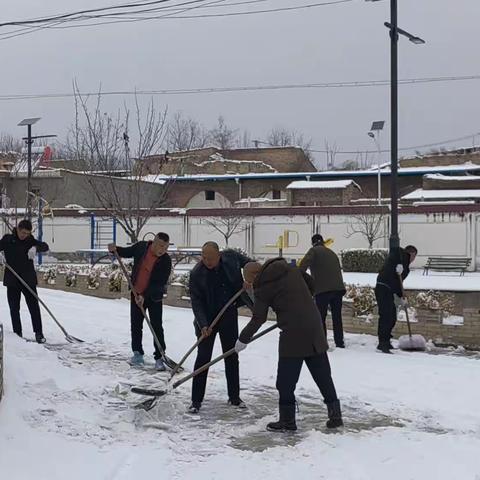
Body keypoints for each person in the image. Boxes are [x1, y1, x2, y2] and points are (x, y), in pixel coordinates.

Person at [235, 259, 343, 432]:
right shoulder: (290, 269)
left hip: (293, 333)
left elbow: (259, 317)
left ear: (255, 275)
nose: (250, 284)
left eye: (249, 280)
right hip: (314, 324)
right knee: (322, 375)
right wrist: (302, 302)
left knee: (285, 382)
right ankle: (335, 415)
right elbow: (311, 283)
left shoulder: (263, 287)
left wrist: (243, 339)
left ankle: (287, 421)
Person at [188, 242, 253, 413]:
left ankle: (234, 398)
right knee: (203, 358)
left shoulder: (231, 258)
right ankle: (196, 401)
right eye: (204, 257)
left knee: (231, 355)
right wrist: (203, 325)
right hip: (207, 318)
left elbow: (251, 265)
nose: (207, 261)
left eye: (210, 258)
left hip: (229, 313)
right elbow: (196, 302)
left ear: (219, 255)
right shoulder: (197, 273)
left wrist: (249, 279)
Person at [108, 232, 172, 370]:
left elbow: (159, 284)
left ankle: (159, 356)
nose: (163, 250)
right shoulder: (141, 247)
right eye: (161, 246)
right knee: (136, 325)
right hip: (136, 293)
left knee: (156, 326)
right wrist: (115, 249)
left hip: (154, 297)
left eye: (166, 247)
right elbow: (127, 252)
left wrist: (144, 295)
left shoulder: (166, 260)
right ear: (153, 242)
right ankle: (137, 354)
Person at [0, 219, 49, 343]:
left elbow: (45, 246)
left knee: (34, 306)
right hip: (12, 278)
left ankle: (39, 333)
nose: (24, 236)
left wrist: (35, 248)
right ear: (17, 229)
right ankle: (17, 332)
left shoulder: (30, 240)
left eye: (27, 233)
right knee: (14, 307)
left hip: (28, 278)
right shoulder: (7, 239)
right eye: (22, 232)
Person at [299, 234, 346, 348]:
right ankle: (339, 342)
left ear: (313, 243)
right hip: (338, 289)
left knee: (320, 317)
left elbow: (302, 267)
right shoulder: (331, 252)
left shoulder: (314, 251)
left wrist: (300, 279)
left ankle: (322, 342)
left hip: (323, 290)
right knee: (337, 317)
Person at [375, 245, 418, 353]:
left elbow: (398, 282)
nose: (414, 259)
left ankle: (386, 340)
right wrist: (398, 264)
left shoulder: (405, 264)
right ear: (412, 254)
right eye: (414, 256)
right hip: (383, 287)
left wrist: (401, 295)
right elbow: (395, 250)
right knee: (386, 316)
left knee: (392, 317)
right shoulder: (400, 256)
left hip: (388, 290)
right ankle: (383, 343)